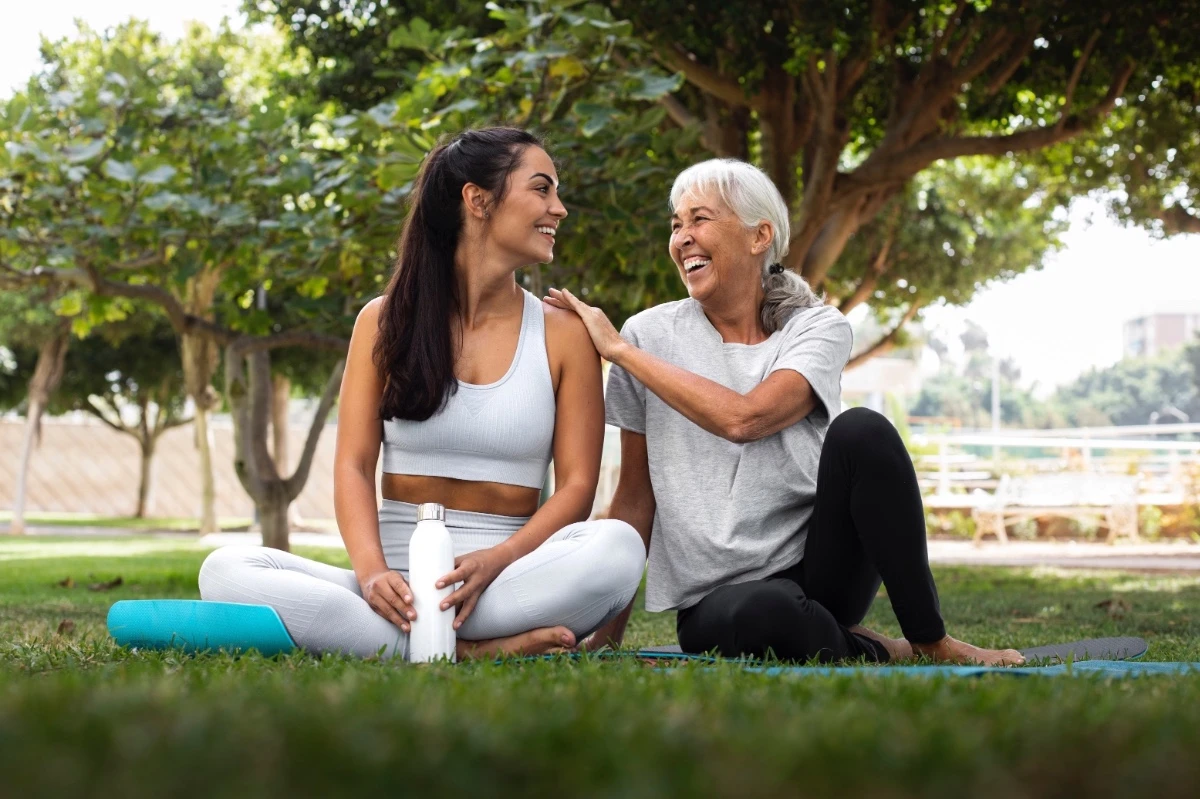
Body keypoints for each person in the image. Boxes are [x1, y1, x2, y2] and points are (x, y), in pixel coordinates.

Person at [547, 158, 1023, 665]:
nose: (682, 237)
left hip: (821, 569)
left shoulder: (816, 328)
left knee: (863, 430)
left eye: (699, 219)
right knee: (766, 614)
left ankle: (930, 641)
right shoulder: (648, 334)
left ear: (759, 237)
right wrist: (608, 635)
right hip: (718, 597)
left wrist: (620, 353)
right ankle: (878, 647)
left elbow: (745, 419)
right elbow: (635, 497)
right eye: (676, 224)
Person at [199, 127, 646, 661]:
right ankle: (470, 651)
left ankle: (404, 644)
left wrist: (495, 561)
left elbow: (577, 488)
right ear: (478, 200)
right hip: (394, 589)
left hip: (505, 583)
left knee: (617, 548)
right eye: (542, 189)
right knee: (224, 571)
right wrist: (370, 574)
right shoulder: (383, 321)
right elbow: (354, 465)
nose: (560, 208)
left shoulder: (564, 332)